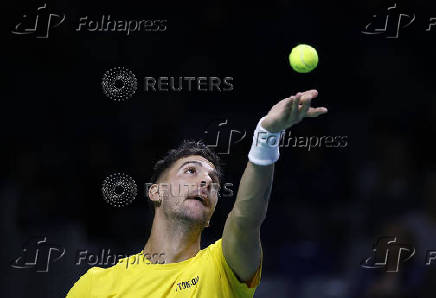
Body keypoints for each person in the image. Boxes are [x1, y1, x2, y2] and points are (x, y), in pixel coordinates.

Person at [66, 90, 327, 297]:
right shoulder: (96, 286)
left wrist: (266, 135)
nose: (206, 181)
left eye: (213, 181)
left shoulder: (221, 267)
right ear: (156, 191)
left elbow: (246, 219)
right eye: (190, 171)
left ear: (211, 214)